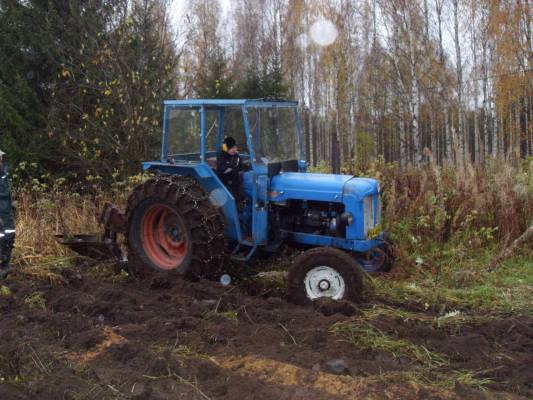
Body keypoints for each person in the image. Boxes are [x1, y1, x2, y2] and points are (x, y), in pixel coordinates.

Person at [0, 149, 15, 278]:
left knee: (9, 236)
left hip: (6, 211)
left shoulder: (4, 175)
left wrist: (11, 205)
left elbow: (6, 194)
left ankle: (5, 265)